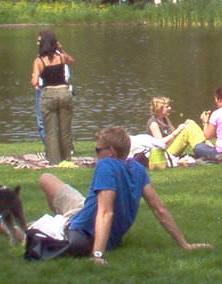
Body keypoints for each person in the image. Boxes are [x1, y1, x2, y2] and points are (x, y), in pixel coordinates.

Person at [36, 126, 210, 262]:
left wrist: (97, 255)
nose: (95, 155)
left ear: (110, 151)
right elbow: (160, 210)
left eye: (97, 150)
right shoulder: (137, 169)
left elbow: (106, 212)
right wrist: (184, 244)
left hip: (80, 224)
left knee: (45, 178)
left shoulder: (106, 166)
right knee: (61, 198)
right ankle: (58, 216)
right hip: (108, 236)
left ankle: (56, 219)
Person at [31, 30, 75, 165]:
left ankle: (54, 161)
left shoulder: (39, 61)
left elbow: (35, 82)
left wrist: (35, 83)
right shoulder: (61, 57)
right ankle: (67, 158)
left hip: (48, 94)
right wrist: (61, 50)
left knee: (50, 131)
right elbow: (72, 61)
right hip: (64, 93)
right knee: (65, 129)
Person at [146, 97, 211, 159]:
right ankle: (207, 150)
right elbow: (160, 143)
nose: (170, 108)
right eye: (167, 107)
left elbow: (175, 133)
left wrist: (184, 125)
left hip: (170, 147)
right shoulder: (153, 123)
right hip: (163, 154)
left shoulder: (165, 118)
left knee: (191, 124)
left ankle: (207, 148)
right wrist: (177, 131)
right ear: (159, 109)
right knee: (188, 129)